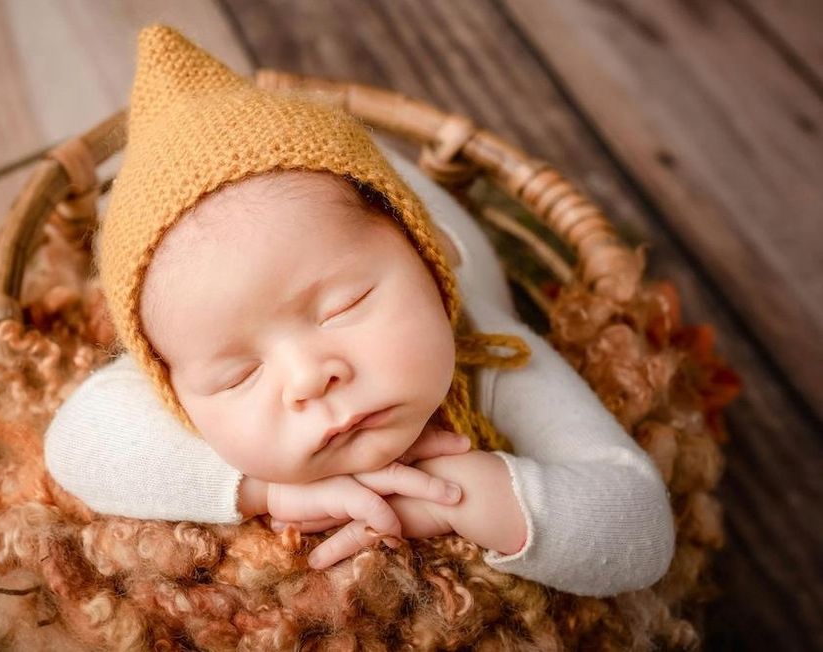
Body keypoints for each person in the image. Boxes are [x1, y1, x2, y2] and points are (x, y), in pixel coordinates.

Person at [45, 24, 674, 597]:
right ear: (172, 388)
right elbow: (75, 443)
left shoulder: (491, 357)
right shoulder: (195, 326)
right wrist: (264, 489)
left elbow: (641, 528)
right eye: (238, 375)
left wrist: (467, 495)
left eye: (344, 307)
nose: (309, 378)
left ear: (429, 265)